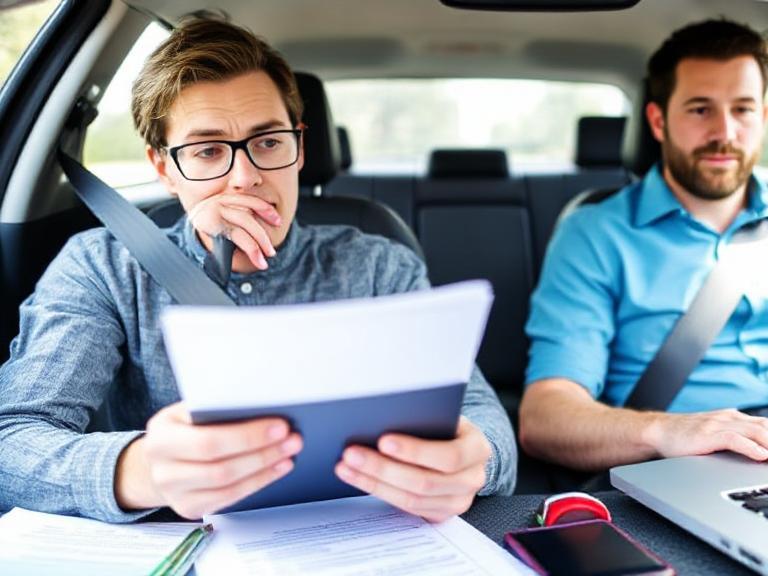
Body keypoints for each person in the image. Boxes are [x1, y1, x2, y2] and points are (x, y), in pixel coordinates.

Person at [0, 16, 515, 523]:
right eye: (207, 151)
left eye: (268, 142)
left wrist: (474, 461)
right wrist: (141, 470)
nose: (245, 178)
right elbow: (12, 443)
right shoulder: (102, 268)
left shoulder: (379, 266)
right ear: (165, 169)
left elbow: (482, 418)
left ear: (299, 149)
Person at [519, 19, 768, 473]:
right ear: (657, 120)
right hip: (671, 461)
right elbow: (545, 416)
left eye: (742, 109)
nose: (725, 132)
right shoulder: (594, 233)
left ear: (762, 117)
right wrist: (665, 431)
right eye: (700, 109)